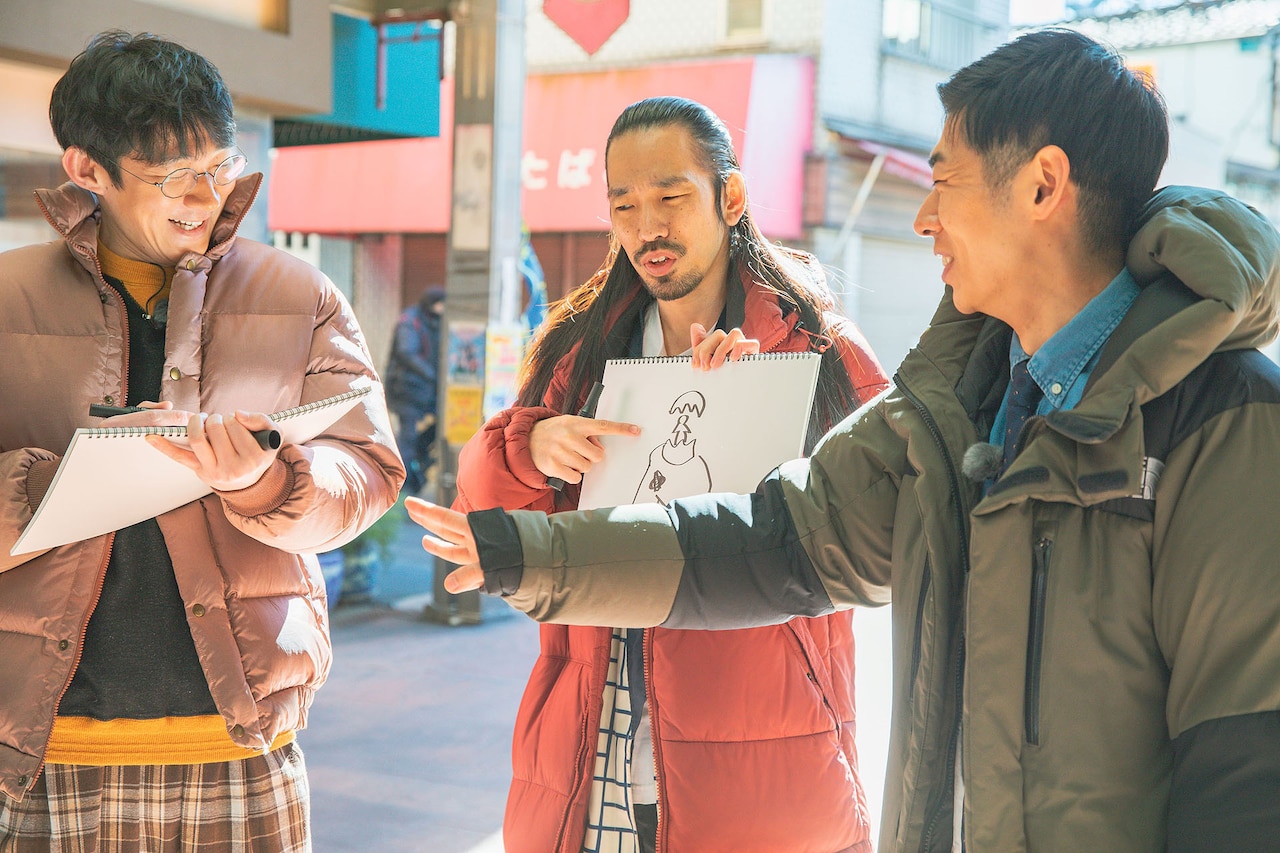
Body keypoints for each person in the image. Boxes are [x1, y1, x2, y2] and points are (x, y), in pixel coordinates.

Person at [409, 29, 1280, 853]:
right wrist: (524, 535)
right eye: (623, 204)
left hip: (760, 784)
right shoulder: (962, 405)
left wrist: (759, 404)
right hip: (590, 762)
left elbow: (1245, 775)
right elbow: (775, 537)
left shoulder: (1224, 421)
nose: (923, 217)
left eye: (943, 180)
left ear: (1043, 186)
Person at [447, 96, 889, 853]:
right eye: (625, 205)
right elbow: (487, 522)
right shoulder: (580, 352)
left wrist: (763, 405)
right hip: (593, 747)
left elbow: (882, 524)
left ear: (731, 197)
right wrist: (530, 447)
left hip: (763, 767)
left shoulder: (818, 352)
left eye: (671, 197)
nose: (647, 227)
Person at [0, 31, 404, 850]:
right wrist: (50, 489)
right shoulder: (8, 299)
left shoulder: (301, 293)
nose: (204, 196)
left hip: (240, 741)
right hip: (46, 749)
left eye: (219, 166)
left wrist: (268, 485)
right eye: (169, 175)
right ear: (87, 168)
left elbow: (368, 472)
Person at [385, 286, 444, 494]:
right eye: (439, 305)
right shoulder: (411, 321)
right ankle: (402, 482)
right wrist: (432, 374)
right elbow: (406, 352)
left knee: (435, 428)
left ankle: (411, 471)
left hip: (425, 390)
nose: (441, 309)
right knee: (407, 437)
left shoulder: (433, 320)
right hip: (407, 389)